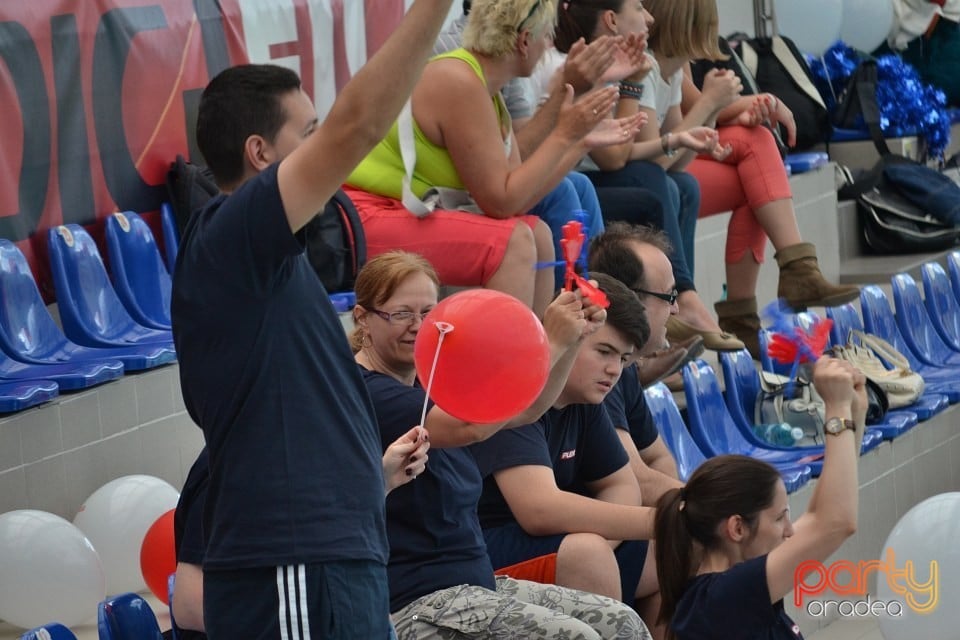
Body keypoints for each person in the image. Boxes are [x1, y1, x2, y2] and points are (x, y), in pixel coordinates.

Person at [170, 2, 455, 637]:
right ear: (260, 153)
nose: (323, 149)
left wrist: (368, 477)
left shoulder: (273, 261)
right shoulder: (231, 235)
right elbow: (357, 125)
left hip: (330, 553)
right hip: (291, 562)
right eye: (307, 133)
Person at [351, 251, 651, 639]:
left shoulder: (431, 383)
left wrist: (572, 340)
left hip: (474, 586)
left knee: (621, 623)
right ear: (363, 318)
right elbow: (470, 428)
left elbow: (525, 412)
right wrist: (551, 341)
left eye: (428, 313)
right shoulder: (367, 392)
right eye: (401, 314)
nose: (419, 326)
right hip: (415, 601)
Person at [345, 0, 645, 317]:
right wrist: (566, 135)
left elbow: (518, 193)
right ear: (524, 40)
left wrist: (579, 144)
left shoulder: (486, 89)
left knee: (539, 233)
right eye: (547, 35)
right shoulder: (459, 80)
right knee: (512, 243)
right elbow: (500, 203)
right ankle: (503, 362)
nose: (549, 45)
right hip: (364, 216)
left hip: (396, 210)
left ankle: (544, 355)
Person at [540, 0, 745, 353]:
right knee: (652, 181)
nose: (649, 17)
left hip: (595, 179)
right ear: (612, 19)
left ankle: (676, 309)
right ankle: (676, 301)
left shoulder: (644, 68)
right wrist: (698, 107)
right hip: (573, 182)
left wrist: (697, 122)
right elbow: (616, 159)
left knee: (686, 185)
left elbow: (677, 163)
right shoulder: (596, 70)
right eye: (638, 7)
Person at [471, 274, 665, 637]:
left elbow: (622, 485)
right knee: (590, 553)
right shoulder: (517, 389)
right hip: (481, 550)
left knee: (672, 551)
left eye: (623, 359)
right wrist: (662, 519)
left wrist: (614, 540)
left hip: (552, 545)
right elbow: (539, 510)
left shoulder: (584, 399)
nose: (614, 370)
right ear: (569, 338)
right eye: (604, 352)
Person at [665, 0, 859, 357]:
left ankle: (781, 285)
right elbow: (669, 142)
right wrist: (717, 104)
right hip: (655, 168)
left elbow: (704, 109)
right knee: (753, 173)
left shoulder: (674, 57)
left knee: (756, 145)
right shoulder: (646, 58)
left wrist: (759, 103)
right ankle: (779, 287)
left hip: (675, 157)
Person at [653, 356, 866, 639]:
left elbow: (822, 514)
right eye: (780, 518)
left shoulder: (728, 585)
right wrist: (836, 409)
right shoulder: (721, 599)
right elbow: (835, 523)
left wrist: (854, 411)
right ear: (737, 528)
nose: (791, 531)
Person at [168, 438, 429, 639]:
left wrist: (379, 484)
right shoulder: (233, 463)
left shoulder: (312, 449)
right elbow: (189, 604)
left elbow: (327, 536)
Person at [588, 222, 692, 497]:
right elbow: (639, 480)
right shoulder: (597, 376)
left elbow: (658, 459)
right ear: (631, 299)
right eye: (669, 296)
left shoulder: (625, 367)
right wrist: (711, 511)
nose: (676, 308)